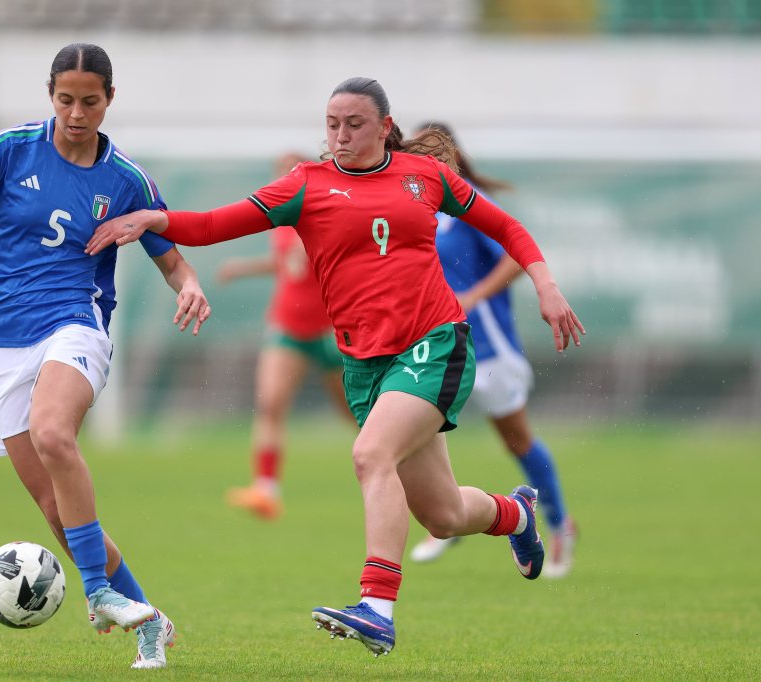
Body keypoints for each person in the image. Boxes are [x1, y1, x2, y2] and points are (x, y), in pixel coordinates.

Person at [86, 77, 584, 658]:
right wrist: (153, 219)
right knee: (444, 515)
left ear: (385, 128)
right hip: (365, 364)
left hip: (435, 343)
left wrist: (546, 285)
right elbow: (216, 224)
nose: (340, 135)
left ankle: (377, 607)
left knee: (370, 455)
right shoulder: (307, 185)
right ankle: (516, 514)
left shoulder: (425, 177)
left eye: (354, 124)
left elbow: (506, 228)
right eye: (332, 124)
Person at [0, 43, 210, 670]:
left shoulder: (125, 180)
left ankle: (97, 592)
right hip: (0, 342)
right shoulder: (8, 150)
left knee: (54, 433)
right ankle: (148, 621)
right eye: (66, 100)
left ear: (110, 99)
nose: (77, 114)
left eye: (90, 102)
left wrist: (189, 285)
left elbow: (172, 259)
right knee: (57, 511)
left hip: (75, 324)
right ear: (50, 95)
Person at [407, 121, 578, 579]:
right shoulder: (415, 206)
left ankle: (560, 524)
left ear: (452, 157)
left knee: (517, 439)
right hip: (437, 345)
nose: (422, 160)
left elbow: (515, 255)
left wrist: (474, 296)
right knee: (416, 431)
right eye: (415, 151)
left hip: (487, 344)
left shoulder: (468, 204)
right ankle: (445, 518)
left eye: (431, 152)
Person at [219, 152, 355, 521]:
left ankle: (397, 466)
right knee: (271, 403)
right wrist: (242, 268)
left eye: (289, 172)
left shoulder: (329, 213)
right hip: (288, 326)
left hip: (330, 328)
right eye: (278, 173)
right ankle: (266, 489)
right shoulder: (278, 218)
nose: (282, 180)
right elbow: (286, 265)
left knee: (355, 413)